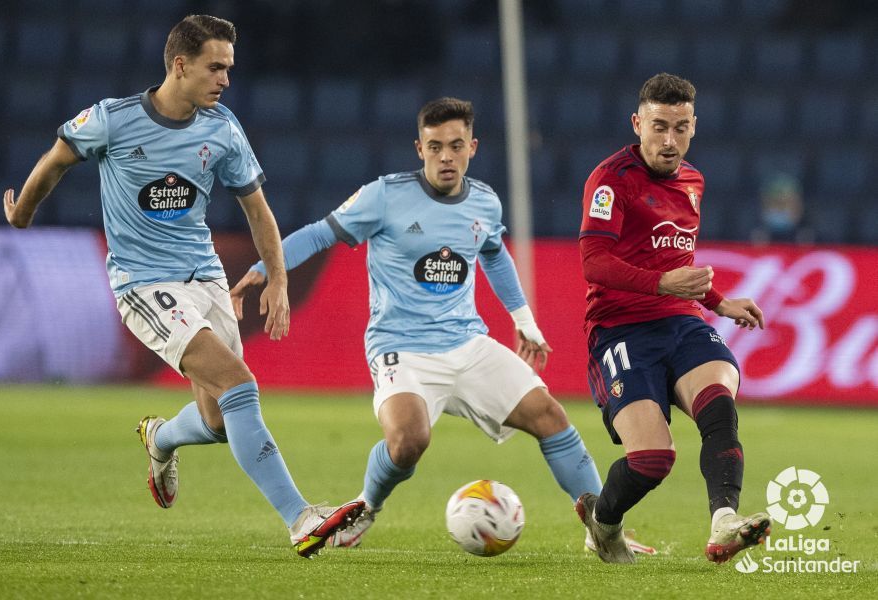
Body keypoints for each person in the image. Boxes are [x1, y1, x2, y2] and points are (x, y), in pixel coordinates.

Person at [2, 14, 362, 559]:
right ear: (180, 65)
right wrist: (22, 215)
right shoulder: (112, 120)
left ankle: (161, 438)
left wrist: (279, 280)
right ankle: (301, 518)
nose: (225, 79)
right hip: (144, 285)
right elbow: (56, 160)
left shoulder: (222, 128)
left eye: (229, 68)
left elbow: (258, 212)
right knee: (239, 384)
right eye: (216, 67)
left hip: (206, 278)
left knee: (219, 421)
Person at [230, 97, 654, 556]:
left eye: (455, 146)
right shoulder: (384, 196)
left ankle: (602, 530)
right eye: (435, 147)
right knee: (409, 439)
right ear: (419, 148)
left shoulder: (485, 202)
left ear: (473, 146)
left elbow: (492, 252)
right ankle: (366, 506)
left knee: (550, 417)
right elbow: (318, 232)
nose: (445, 156)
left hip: (467, 343)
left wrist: (523, 319)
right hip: (401, 347)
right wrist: (266, 271)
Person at [575, 73, 770, 564]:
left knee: (719, 403)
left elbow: (675, 263)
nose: (669, 140)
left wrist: (718, 301)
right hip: (619, 327)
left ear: (693, 126)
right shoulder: (610, 180)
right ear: (637, 123)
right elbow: (593, 262)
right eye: (658, 126)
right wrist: (664, 285)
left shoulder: (693, 182)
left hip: (680, 321)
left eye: (680, 128)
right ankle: (603, 523)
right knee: (652, 460)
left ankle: (724, 520)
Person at [750, 173, 814, 245]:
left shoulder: (817, 240)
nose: (780, 210)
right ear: (763, 205)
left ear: (799, 206)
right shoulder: (745, 238)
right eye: (776, 203)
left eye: (785, 204)